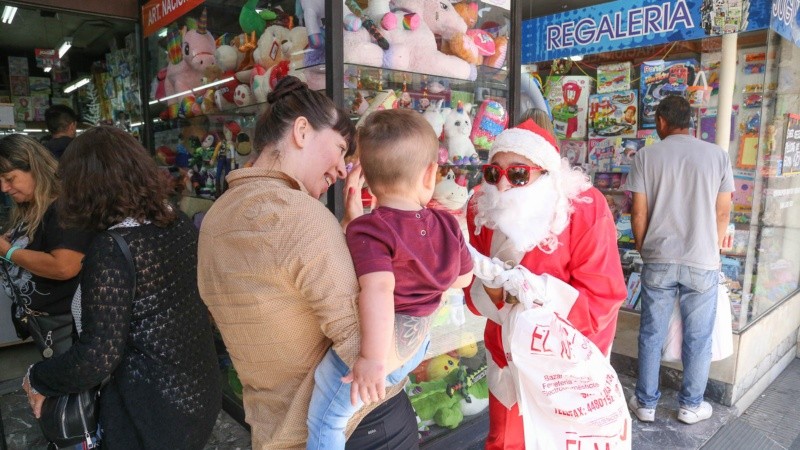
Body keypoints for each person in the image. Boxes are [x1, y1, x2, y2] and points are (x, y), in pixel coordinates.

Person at [197, 76, 419, 449]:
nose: (342, 168)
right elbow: (363, 345)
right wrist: (434, 290)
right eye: (339, 147)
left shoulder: (216, 217)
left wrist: (348, 233)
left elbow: (280, 303)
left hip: (275, 428)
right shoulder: (299, 214)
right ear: (302, 130)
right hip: (360, 426)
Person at [22, 126, 221, 448]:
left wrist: (37, 377)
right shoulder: (176, 221)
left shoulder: (114, 247)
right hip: (197, 390)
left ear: (85, 187)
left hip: (149, 409)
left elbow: (97, 356)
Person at [306, 109, 473, 449]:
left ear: (364, 174)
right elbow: (465, 278)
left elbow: (380, 287)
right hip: (417, 346)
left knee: (326, 420)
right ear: (431, 174)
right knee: (366, 400)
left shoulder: (372, 228)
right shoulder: (447, 224)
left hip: (381, 346)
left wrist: (370, 358)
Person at [465, 119, 627, 448]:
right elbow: (473, 291)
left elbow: (602, 299)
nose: (504, 186)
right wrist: (496, 293)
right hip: (507, 360)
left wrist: (535, 295)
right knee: (506, 440)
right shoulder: (481, 208)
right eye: (494, 173)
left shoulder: (584, 208)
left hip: (565, 367)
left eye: (519, 174)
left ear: (547, 174)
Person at [625, 95, 733, 425]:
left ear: (661, 121)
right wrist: (710, 250)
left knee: (651, 334)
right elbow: (723, 211)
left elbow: (638, 211)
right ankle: (690, 405)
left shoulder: (646, 156)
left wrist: (646, 249)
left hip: (658, 257)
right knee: (698, 338)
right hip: (702, 261)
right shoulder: (718, 156)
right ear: (691, 121)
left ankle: (645, 404)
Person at [0, 134, 93, 346]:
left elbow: (64, 267)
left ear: (34, 167)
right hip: (48, 325)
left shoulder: (64, 207)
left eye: (10, 178)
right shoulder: (31, 207)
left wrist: (9, 251)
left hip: (68, 328)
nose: (4, 188)